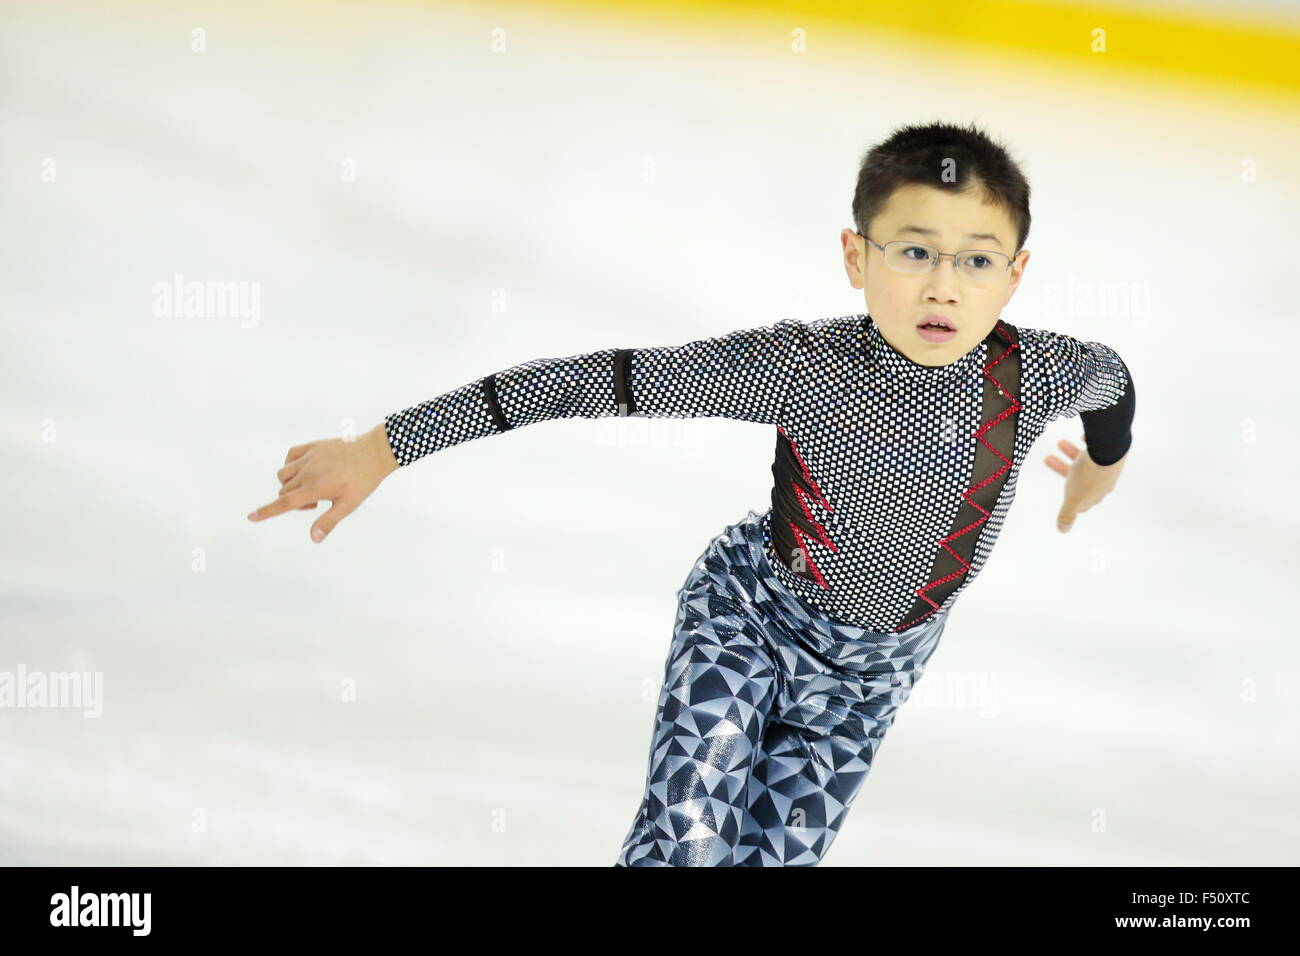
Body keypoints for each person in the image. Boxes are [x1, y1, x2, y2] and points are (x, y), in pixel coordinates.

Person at [247, 120, 1135, 865]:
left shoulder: (1044, 372)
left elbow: (1117, 386)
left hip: (870, 683)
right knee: (688, 841)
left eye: (976, 261)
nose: (943, 284)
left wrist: (1103, 465)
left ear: (1016, 274)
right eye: (913, 253)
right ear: (854, 259)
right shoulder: (800, 368)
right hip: (748, 618)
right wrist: (384, 446)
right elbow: (602, 381)